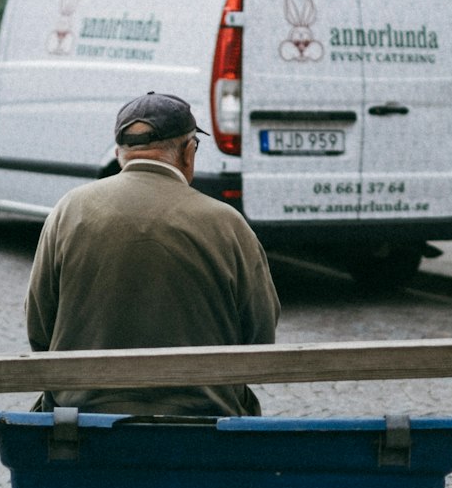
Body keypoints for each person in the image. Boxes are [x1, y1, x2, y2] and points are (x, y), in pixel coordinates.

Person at [25, 91, 280, 416]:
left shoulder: (70, 209)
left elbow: (39, 327)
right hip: (204, 423)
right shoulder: (227, 223)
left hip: (83, 422)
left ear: (120, 153)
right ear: (189, 152)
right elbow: (259, 340)